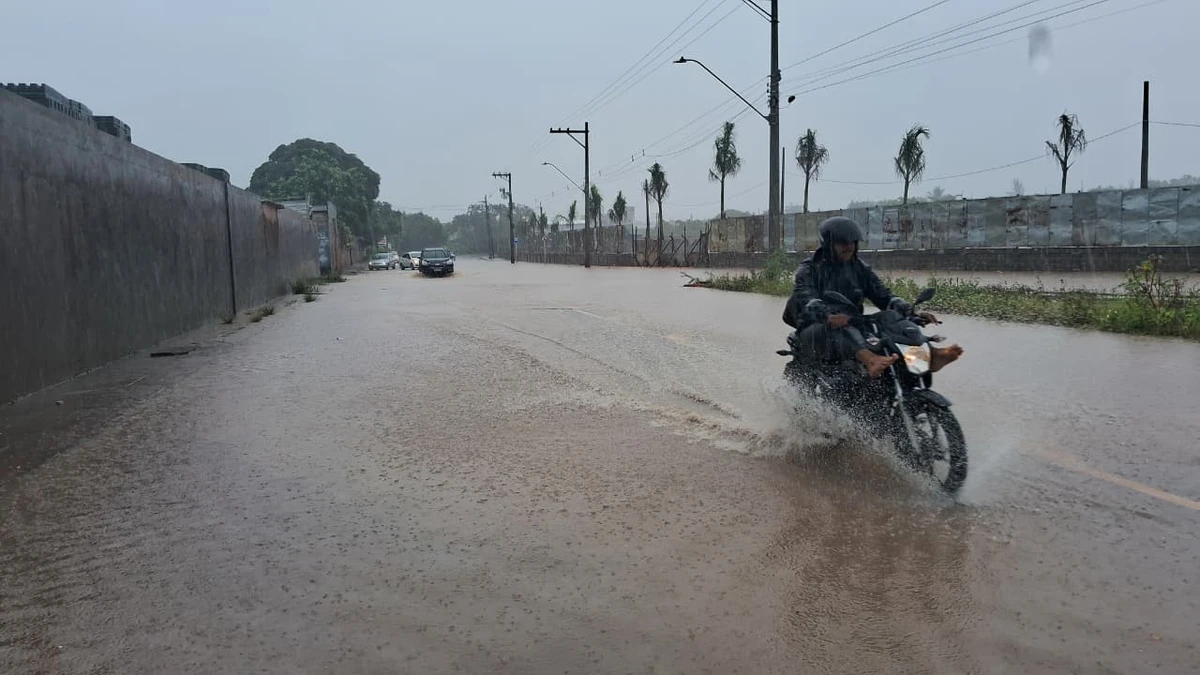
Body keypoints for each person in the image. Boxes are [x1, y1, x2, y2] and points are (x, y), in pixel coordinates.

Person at [783, 216, 963, 378]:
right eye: (842, 243)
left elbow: (884, 297)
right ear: (828, 244)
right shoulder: (809, 269)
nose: (849, 246)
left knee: (891, 317)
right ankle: (871, 360)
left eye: (852, 242)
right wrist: (827, 315)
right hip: (815, 328)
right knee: (841, 328)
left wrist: (909, 311)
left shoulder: (859, 268)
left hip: (852, 322)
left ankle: (929, 357)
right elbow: (808, 300)